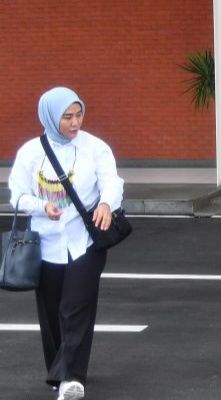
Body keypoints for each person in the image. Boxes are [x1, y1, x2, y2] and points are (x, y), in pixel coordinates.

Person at [8, 87, 124, 400]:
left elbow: (112, 181)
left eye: (79, 114)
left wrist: (106, 204)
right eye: (67, 117)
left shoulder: (94, 147)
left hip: (85, 242)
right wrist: (40, 206)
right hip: (44, 245)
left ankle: (71, 377)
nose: (75, 123)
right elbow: (16, 194)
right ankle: (59, 372)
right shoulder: (31, 152)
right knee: (51, 313)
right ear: (49, 116)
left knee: (76, 308)